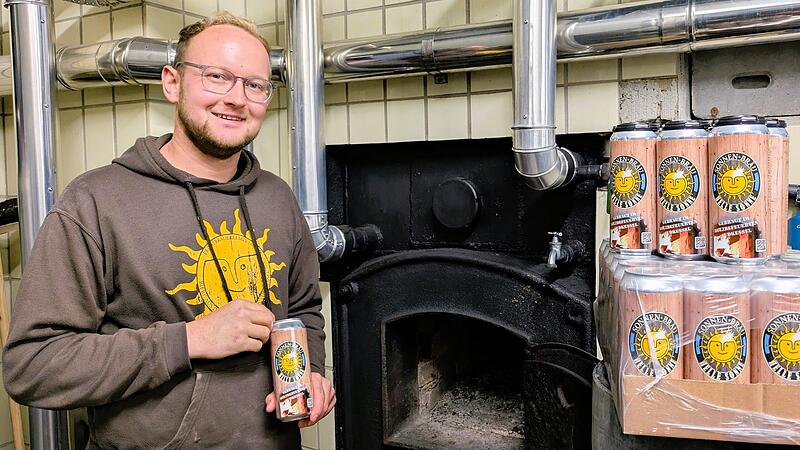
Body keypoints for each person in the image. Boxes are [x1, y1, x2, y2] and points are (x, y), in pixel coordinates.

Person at [2, 12, 335, 449]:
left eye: (255, 84)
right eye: (217, 76)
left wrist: (312, 372)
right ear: (172, 83)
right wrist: (190, 340)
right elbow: (34, 365)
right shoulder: (97, 201)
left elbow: (305, 310)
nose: (237, 98)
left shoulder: (278, 197)